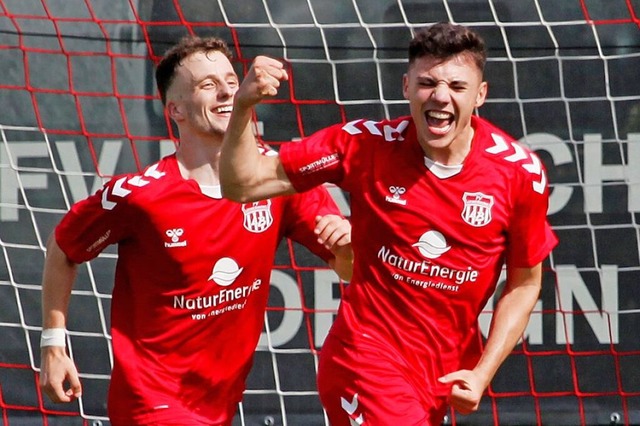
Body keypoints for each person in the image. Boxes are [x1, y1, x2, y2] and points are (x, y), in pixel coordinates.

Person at [219, 22, 558, 425]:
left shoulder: (520, 173)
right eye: (427, 83)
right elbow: (242, 184)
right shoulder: (364, 144)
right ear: (405, 87)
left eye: (457, 86)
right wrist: (243, 107)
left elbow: (525, 283)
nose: (441, 96)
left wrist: (484, 372)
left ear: (480, 95)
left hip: (437, 378)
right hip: (363, 359)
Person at [39, 35, 353, 426]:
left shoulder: (277, 180)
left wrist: (348, 245)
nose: (225, 93)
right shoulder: (140, 196)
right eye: (207, 86)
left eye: (230, 82)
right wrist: (53, 344)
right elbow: (64, 247)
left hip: (219, 404)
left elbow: (349, 269)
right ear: (176, 110)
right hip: (150, 402)